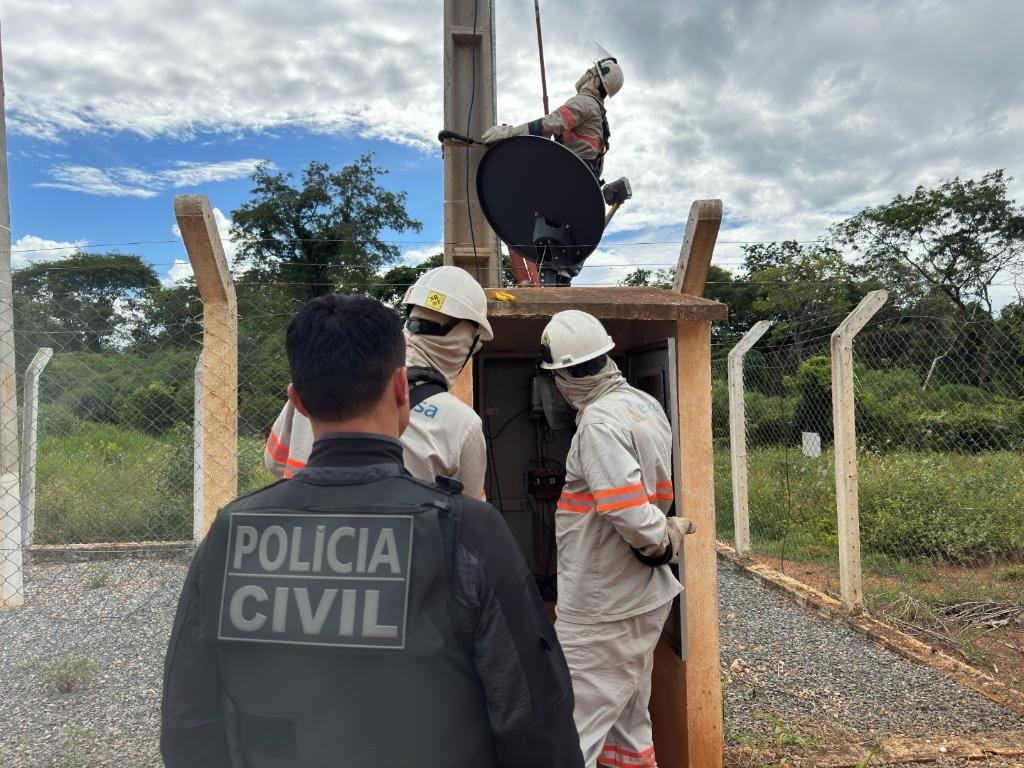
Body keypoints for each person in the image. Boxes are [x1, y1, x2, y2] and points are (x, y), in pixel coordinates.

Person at [161, 294, 584, 768]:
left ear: (297, 402)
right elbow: (531, 720)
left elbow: (188, 722)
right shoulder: (470, 532)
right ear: (402, 388)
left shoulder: (230, 533)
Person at [539, 310, 694, 768]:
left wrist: (659, 543)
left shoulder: (598, 423)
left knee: (569, 730)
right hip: (639, 601)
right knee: (628, 719)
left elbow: (627, 511)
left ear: (565, 374)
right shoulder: (643, 404)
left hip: (604, 606)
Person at [265, 265, 491, 500]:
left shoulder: (321, 377)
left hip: (301, 530)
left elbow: (274, 462)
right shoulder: (462, 424)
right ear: (468, 342)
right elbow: (470, 518)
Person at [481, 56, 623, 181]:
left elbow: (546, 126)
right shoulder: (600, 115)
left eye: (591, 72)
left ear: (597, 79)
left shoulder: (584, 103)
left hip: (568, 175)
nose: (586, 74)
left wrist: (508, 134)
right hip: (582, 179)